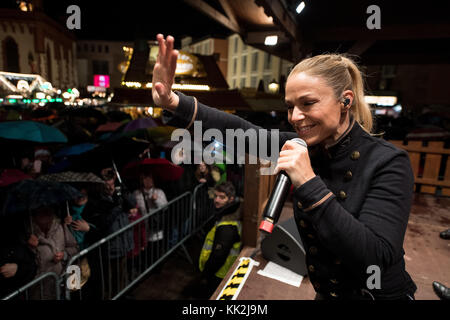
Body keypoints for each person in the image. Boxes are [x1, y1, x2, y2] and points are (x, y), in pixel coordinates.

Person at [151, 34, 417, 300]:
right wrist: (174, 102)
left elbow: (376, 259)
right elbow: (243, 132)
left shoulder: (389, 163)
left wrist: (310, 183)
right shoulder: (303, 145)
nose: (295, 117)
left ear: (345, 101)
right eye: (290, 107)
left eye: (308, 103)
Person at [198, 182, 242, 298]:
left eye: (222, 197)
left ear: (231, 199)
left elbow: (219, 256)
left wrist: (206, 273)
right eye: (216, 196)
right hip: (220, 271)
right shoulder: (226, 213)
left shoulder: (227, 225)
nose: (216, 200)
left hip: (219, 274)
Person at [27, 205, 79, 299]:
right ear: (34, 215)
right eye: (40, 212)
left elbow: (74, 248)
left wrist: (64, 255)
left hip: (63, 283)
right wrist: (30, 247)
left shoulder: (60, 227)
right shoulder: (28, 234)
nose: (45, 215)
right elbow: (26, 265)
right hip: (40, 290)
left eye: (48, 211)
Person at [132, 172, 168, 261]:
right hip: (143, 228)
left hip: (156, 228)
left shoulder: (159, 192)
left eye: (150, 178)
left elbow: (165, 207)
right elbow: (134, 208)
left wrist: (156, 200)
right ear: (142, 180)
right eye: (145, 178)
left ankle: (157, 268)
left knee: (155, 250)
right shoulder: (137, 193)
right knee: (145, 251)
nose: (148, 180)